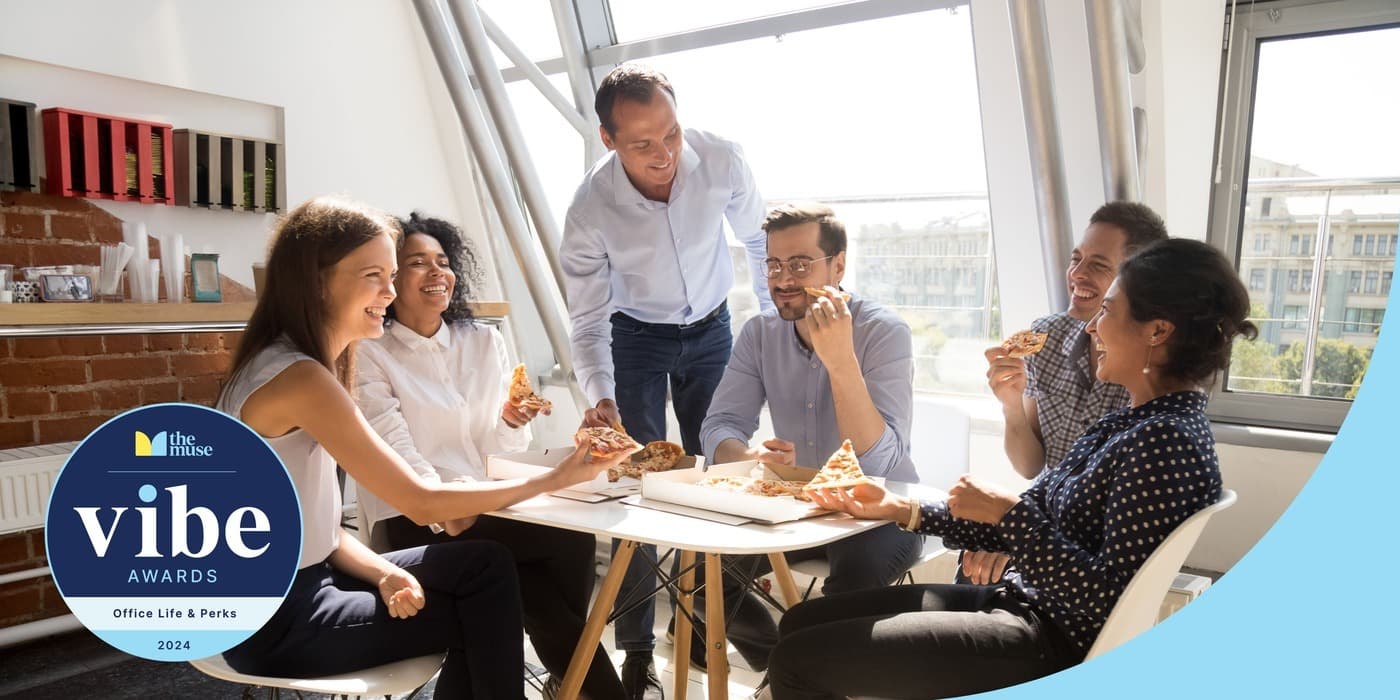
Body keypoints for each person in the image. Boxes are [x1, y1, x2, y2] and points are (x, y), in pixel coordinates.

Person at [763, 238, 1251, 699]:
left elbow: (1104, 595)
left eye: (1109, 310)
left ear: (1158, 331)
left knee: (797, 659)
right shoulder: (1132, 423)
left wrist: (1008, 515)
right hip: (1018, 606)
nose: (1092, 326)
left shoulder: (1166, 442)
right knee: (800, 623)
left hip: (1048, 641)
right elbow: (1030, 518)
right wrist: (900, 509)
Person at [217, 197, 631, 699]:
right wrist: (557, 478)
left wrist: (385, 571)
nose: (389, 292)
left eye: (392, 275)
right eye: (375, 275)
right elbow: (421, 502)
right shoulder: (303, 379)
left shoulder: (292, 362)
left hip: (305, 583)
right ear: (316, 280)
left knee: (488, 567)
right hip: (279, 620)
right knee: (488, 601)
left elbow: (317, 531)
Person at [559, 63, 772, 699]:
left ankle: (711, 623)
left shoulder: (724, 160)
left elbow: (761, 246)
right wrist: (600, 393)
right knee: (638, 488)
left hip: (711, 329)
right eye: (642, 144)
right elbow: (587, 317)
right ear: (608, 141)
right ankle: (637, 653)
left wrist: (773, 331)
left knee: (725, 475)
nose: (664, 155)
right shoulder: (590, 208)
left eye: (671, 134)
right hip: (635, 339)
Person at [352, 213, 624, 699]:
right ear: (390, 280)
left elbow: (498, 453)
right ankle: (589, 688)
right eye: (418, 263)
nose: (438, 273)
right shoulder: (371, 352)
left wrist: (511, 422)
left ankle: (580, 684)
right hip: (413, 514)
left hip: (486, 503)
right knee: (535, 568)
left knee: (570, 543)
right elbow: (397, 452)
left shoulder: (484, 341)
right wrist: (444, 513)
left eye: (443, 261)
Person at [693, 202, 921, 669]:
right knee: (700, 577)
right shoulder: (759, 334)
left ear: (838, 265)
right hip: (795, 506)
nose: (783, 279)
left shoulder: (884, 332)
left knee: (846, 593)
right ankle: (784, 670)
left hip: (881, 511)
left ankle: (802, 673)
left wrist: (840, 359)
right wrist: (748, 456)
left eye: (800, 264)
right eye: (774, 264)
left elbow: (877, 464)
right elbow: (718, 427)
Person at [966, 201, 1168, 586]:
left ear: (1138, 281)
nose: (1077, 274)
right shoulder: (1047, 336)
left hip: (1083, 556)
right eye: (1076, 259)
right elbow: (1029, 466)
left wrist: (1021, 540)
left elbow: (1109, 527)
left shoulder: (1152, 374)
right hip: (1043, 518)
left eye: (1098, 265)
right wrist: (1011, 403)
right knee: (968, 571)